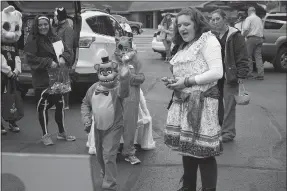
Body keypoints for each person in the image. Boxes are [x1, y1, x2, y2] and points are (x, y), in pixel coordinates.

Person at [163, 7, 223, 191]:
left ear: (197, 24)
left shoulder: (208, 41)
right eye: (179, 25)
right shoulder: (184, 46)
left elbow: (217, 73)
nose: (182, 28)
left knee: (204, 153)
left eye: (186, 24)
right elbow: (189, 72)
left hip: (203, 105)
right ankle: (188, 187)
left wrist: (186, 82)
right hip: (184, 103)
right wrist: (175, 82)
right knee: (187, 150)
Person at [81, 49, 131, 191]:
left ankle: (110, 184)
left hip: (114, 126)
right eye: (102, 72)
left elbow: (125, 91)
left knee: (109, 154)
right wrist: (86, 119)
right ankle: (106, 174)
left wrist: (125, 76)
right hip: (98, 127)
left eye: (109, 72)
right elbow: (85, 103)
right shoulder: (93, 88)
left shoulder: (117, 89)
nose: (105, 75)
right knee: (99, 155)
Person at [24, 15, 76, 146]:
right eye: (40, 25)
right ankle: (45, 134)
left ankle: (61, 132)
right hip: (42, 79)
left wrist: (64, 57)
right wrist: (48, 62)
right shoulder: (32, 40)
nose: (43, 27)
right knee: (43, 107)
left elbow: (69, 52)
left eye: (45, 24)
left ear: (49, 25)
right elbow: (30, 59)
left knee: (60, 104)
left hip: (58, 78)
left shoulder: (55, 38)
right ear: (36, 26)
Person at [210, 9, 249, 143]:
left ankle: (228, 133)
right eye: (213, 19)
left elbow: (242, 56)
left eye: (217, 19)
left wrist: (241, 74)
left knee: (229, 105)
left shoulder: (234, 35)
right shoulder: (212, 35)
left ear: (225, 19)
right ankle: (220, 128)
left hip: (229, 75)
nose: (215, 22)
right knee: (217, 103)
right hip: (216, 75)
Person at [53, 7, 75, 109]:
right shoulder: (58, 28)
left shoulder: (68, 29)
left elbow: (69, 47)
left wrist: (64, 58)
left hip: (63, 59)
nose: (53, 18)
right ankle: (58, 102)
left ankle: (65, 104)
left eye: (55, 16)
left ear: (59, 16)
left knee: (64, 80)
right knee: (57, 80)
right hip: (57, 57)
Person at [242, 7, 264, 80]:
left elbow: (245, 29)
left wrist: (242, 36)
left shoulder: (249, 18)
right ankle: (260, 74)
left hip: (251, 38)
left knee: (248, 56)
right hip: (260, 38)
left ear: (249, 11)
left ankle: (249, 73)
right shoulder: (259, 19)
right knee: (258, 57)